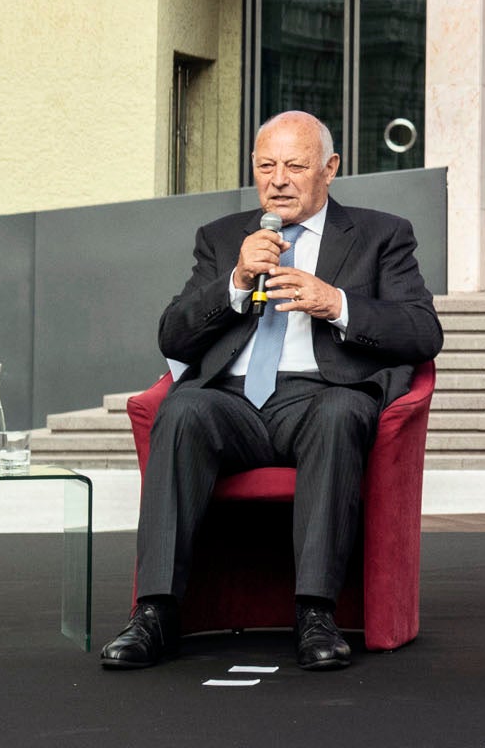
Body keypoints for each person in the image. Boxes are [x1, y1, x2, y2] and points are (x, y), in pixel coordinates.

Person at [102, 111, 442, 674]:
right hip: (230, 401)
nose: (278, 179)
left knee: (340, 411)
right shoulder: (222, 237)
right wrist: (234, 282)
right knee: (182, 409)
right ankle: (155, 612)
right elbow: (173, 334)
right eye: (266, 166)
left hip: (321, 394)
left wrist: (337, 304)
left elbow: (423, 332)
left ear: (329, 169)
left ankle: (315, 613)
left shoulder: (382, 235)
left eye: (295, 165)